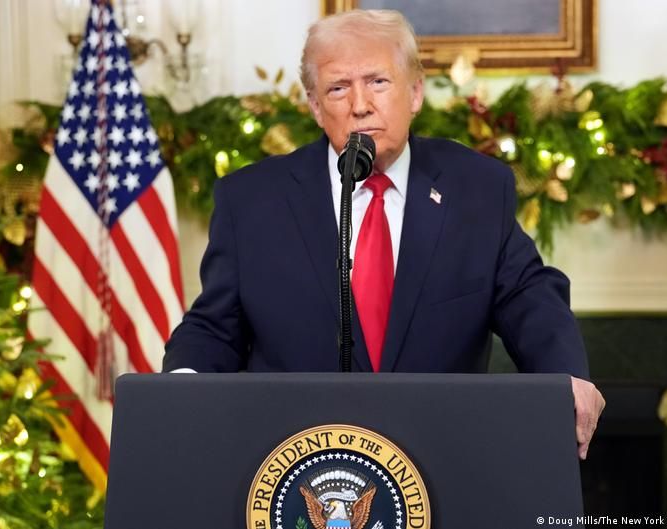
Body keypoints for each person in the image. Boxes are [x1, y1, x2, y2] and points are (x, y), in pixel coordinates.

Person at [163, 9, 605, 459]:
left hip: (442, 456)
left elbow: (529, 296)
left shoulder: (476, 187)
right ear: (315, 106)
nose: (360, 105)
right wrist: (181, 388)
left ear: (415, 92)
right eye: (338, 88)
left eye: (377, 82)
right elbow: (215, 327)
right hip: (298, 460)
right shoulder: (252, 200)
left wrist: (565, 375)